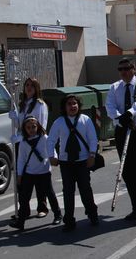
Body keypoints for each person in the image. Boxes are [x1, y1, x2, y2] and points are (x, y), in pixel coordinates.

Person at [105, 58, 136, 227]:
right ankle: (135, 208)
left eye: (126, 68)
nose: (123, 72)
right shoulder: (114, 87)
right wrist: (120, 119)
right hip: (122, 129)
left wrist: (130, 113)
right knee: (127, 172)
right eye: (120, 69)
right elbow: (109, 107)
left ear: (134, 68)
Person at [47, 95, 99, 232]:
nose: (72, 106)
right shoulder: (58, 122)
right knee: (68, 192)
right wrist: (52, 156)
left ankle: (92, 214)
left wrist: (92, 155)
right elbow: (51, 140)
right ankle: (69, 220)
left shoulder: (85, 120)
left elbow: (93, 139)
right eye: (69, 104)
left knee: (85, 189)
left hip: (82, 161)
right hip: (66, 163)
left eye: (75, 103)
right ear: (65, 107)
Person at [10, 117, 62, 230]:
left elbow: (51, 150)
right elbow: (21, 160)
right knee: (24, 198)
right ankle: (21, 221)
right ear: (24, 129)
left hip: (44, 172)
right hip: (30, 173)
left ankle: (58, 214)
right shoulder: (23, 142)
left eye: (33, 127)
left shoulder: (44, 138)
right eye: (28, 128)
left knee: (50, 194)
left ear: (38, 126)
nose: (31, 129)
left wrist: (54, 158)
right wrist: (19, 175)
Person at [9, 77, 50, 219]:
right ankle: (23, 210)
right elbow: (20, 127)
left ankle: (42, 207)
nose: (28, 88)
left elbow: (41, 127)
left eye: (32, 85)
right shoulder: (23, 105)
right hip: (23, 144)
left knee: (38, 178)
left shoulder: (40, 105)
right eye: (26, 85)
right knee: (23, 179)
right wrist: (14, 118)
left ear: (37, 88)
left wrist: (24, 138)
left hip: (36, 144)